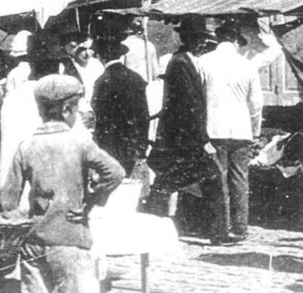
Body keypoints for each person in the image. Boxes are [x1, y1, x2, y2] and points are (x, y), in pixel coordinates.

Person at [0, 74, 125, 293]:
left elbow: (7, 200)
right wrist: (92, 202)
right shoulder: (81, 143)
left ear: (40, 109)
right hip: (71, 237)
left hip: (34, 240)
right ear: (68, 109)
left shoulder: (26, 146)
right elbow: (115, 172)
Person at [196, 18, 268, 244]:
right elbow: (256, 104)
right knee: (239, 179)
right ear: (236, 41)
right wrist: (255, 132)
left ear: (217, 38)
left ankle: (218, 228)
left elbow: (197, 97)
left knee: (216, 179)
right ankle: (239, 228)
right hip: (241, 129)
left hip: (213, 128)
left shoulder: (203, 62)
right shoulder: (247, 65)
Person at [146, 16, 217, 226]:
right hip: (182, 135)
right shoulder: (179, 63)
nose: (203, 43)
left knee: (170, 179)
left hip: (182, 135)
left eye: (204, 39)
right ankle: (214, 230)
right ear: (188, 39)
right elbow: (189, 105)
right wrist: (204, 139)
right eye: (198, 39)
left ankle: (159, 219)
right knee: (208, 178)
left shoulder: (187, 61)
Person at [91, 37, 149, 175]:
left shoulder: (102, 81)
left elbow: (99, 117)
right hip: (133, 143)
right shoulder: (136, 78)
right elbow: (143, 114)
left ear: (100, 56)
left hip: (111, 145)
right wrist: (141, 145)